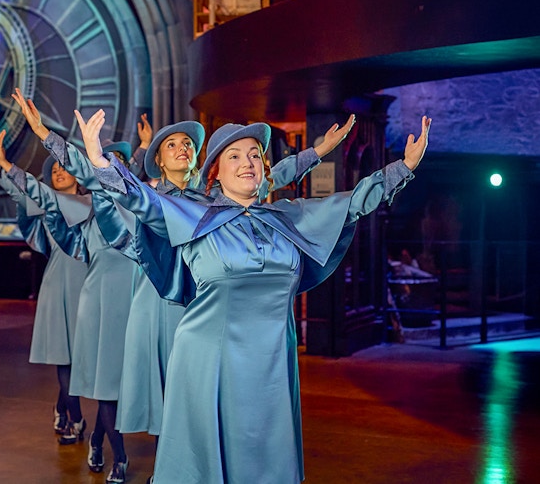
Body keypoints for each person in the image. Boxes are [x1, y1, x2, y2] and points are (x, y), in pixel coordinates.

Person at [78, 108, 430, 483]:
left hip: (273, 364)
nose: (248, 162)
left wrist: (403, 167)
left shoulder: (286, 217)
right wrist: (98, 161)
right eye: (234, 156)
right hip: (207, 359)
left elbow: (353, 202)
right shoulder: (192, 215)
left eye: (254, 155)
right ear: (215, 172)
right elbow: (139, 199)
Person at [93, 114, 352, 446]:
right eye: (171, 144)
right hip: (161, 294)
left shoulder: (212, 196)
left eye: (188, 142)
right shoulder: (150, 196)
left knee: (205, 397)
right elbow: (121, 226)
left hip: (208, 302)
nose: (182, 148)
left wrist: (317, 152)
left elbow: (271, 176)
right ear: (156, 160)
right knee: (164, 388)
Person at [9, 88, 141, 483]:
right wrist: (40, 137)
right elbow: (42, 195)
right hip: (96, 301)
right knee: (102, 383)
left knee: (123, 384)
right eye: (104, 160)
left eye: (117, 161)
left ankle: (98, 439)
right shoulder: (88, 207)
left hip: (134, 303)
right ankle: (115, 454)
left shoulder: (142, 204)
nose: (109, 165)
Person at [0, 125, 88, 442]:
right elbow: (17, 191)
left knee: (85, 356)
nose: (58, 172)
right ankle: (75, 418)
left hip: (91, 286)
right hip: (58, 285)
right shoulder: (46, 203)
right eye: (53, 169)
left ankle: (62, 405)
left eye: (64, 166)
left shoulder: (95, 205)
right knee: (64, 356)